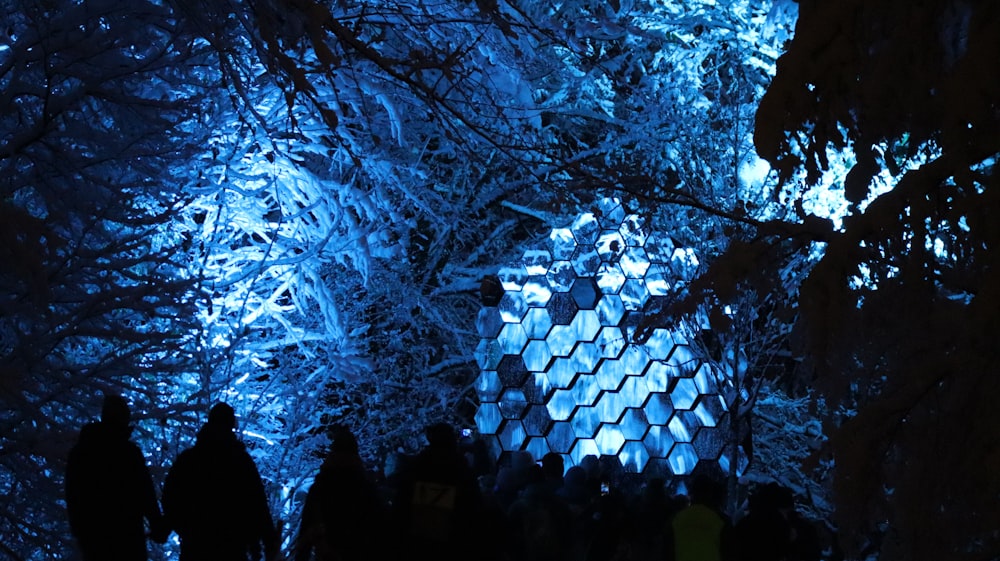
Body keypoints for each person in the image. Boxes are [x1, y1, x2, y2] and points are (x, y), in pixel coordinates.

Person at [161, 403, 278, 561]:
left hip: (196, 546)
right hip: (232, 547)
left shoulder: (189, 460)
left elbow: (170, 498)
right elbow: (257, 503)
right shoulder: (241, 461)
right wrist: (268, 542)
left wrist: (180, 527)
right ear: (231, 424)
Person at [65, 394, 168, 561]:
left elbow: (73, 495)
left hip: (94, 541)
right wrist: (157, 524)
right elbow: (145, 494)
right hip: (128, 539)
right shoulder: (129, 453)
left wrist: (81, 532)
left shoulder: (81, 452)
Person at [390, 422, 483, 561]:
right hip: (455, 538)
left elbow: (403, 502)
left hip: (420, 539)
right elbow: (473, 502)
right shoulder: (460, 467)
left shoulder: (418, 466)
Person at [295, 426, 387, 561]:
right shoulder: (365, 487)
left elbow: (307, 525)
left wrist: (302, 554)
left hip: (328, 552)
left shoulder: (322, 485)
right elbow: (379, 526)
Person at [669, 474, 733, 561]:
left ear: (691, 494)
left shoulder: (677, 519)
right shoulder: (721, 521)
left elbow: (668, 552)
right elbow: (729, 553)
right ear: (711, 494)